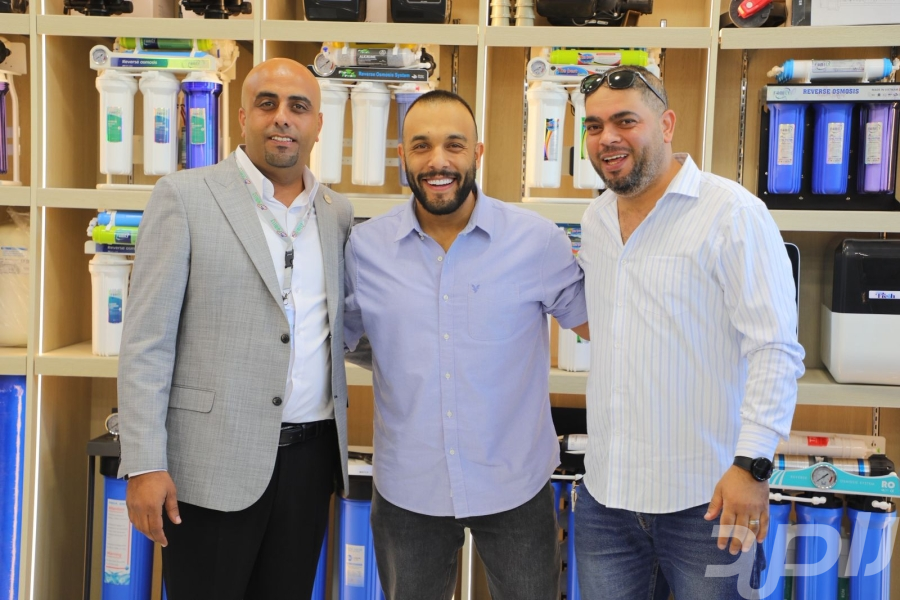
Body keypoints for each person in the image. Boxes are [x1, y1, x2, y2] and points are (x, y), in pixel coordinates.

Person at [117, 58, 353, 599]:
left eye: (298, 107)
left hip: (309, 464)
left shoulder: (336, 212)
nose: (282, 118)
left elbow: (340, 327)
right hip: (210, 464)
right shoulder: (184, 196)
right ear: (242, 117)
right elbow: (146, 342)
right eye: (267, 104)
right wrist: (144, 463)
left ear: (317, 124)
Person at [343, 90, 589, 600]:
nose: (438, 161)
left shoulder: (536, 241)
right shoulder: (365, 248)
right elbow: (339, 341)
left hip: (515, 482)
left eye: (454, 145)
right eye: (421, 146)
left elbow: (601, 328)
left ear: (477, 153)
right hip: (409, 487)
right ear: (402, 156)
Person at [573, 66, 805, 599]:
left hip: (709, 502)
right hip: (606, 501)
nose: (607, 138)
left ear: (667, 124)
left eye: (625, 121)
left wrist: (752, 468)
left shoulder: (732, 214)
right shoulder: (596, 219)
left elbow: (775, 349)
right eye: (594, 126)